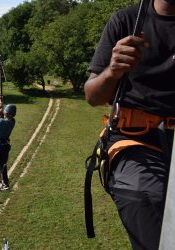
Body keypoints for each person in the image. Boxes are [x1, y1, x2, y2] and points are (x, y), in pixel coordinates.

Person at [84, 0, 175, 249]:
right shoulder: (126, 21)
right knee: (149, 204)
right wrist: (113, 70)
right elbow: (93, 96)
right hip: (136, 141)